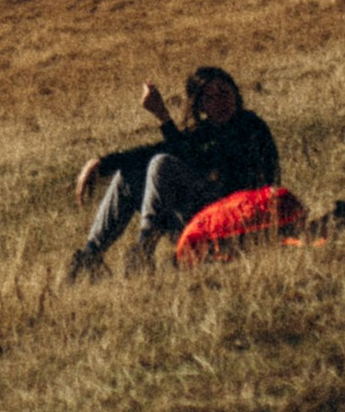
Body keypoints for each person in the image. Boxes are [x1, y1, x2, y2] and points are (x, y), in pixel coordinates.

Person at [68, 63, 279, 277]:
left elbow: (190, 154)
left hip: (238, 221)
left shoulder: (250, 127)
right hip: (203, 217)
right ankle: (90, 255)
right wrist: (103, 164)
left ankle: (145, 246)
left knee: (162, 164)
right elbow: (166, 150)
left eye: (224, 92)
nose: (220, 102)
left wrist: (163, 118)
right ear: (200, 107)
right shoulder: (204, 131)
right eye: (209, 98)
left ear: (235, 93)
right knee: (127, 176)